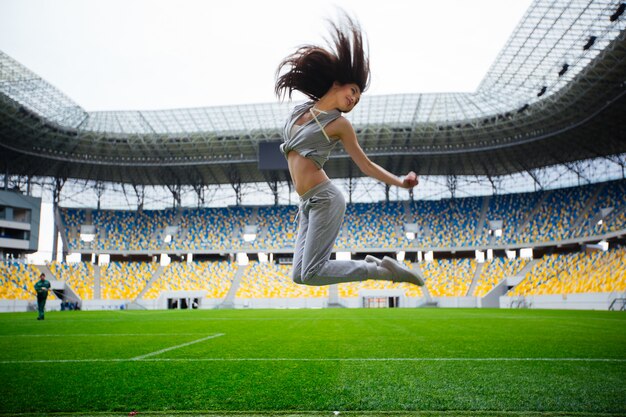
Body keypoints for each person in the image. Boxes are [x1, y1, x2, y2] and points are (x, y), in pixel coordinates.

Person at [275, 13, 424, 287]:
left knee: (312, 272)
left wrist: (402, 183)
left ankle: (381, 272)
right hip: (306, 203)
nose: (354, 98)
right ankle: (374, 265)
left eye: (357, 97)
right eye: (353, 90)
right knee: (299, 276)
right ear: (337, 83)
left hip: (326, 199)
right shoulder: (299, 111)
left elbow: (366, 165)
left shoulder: (339, 124)